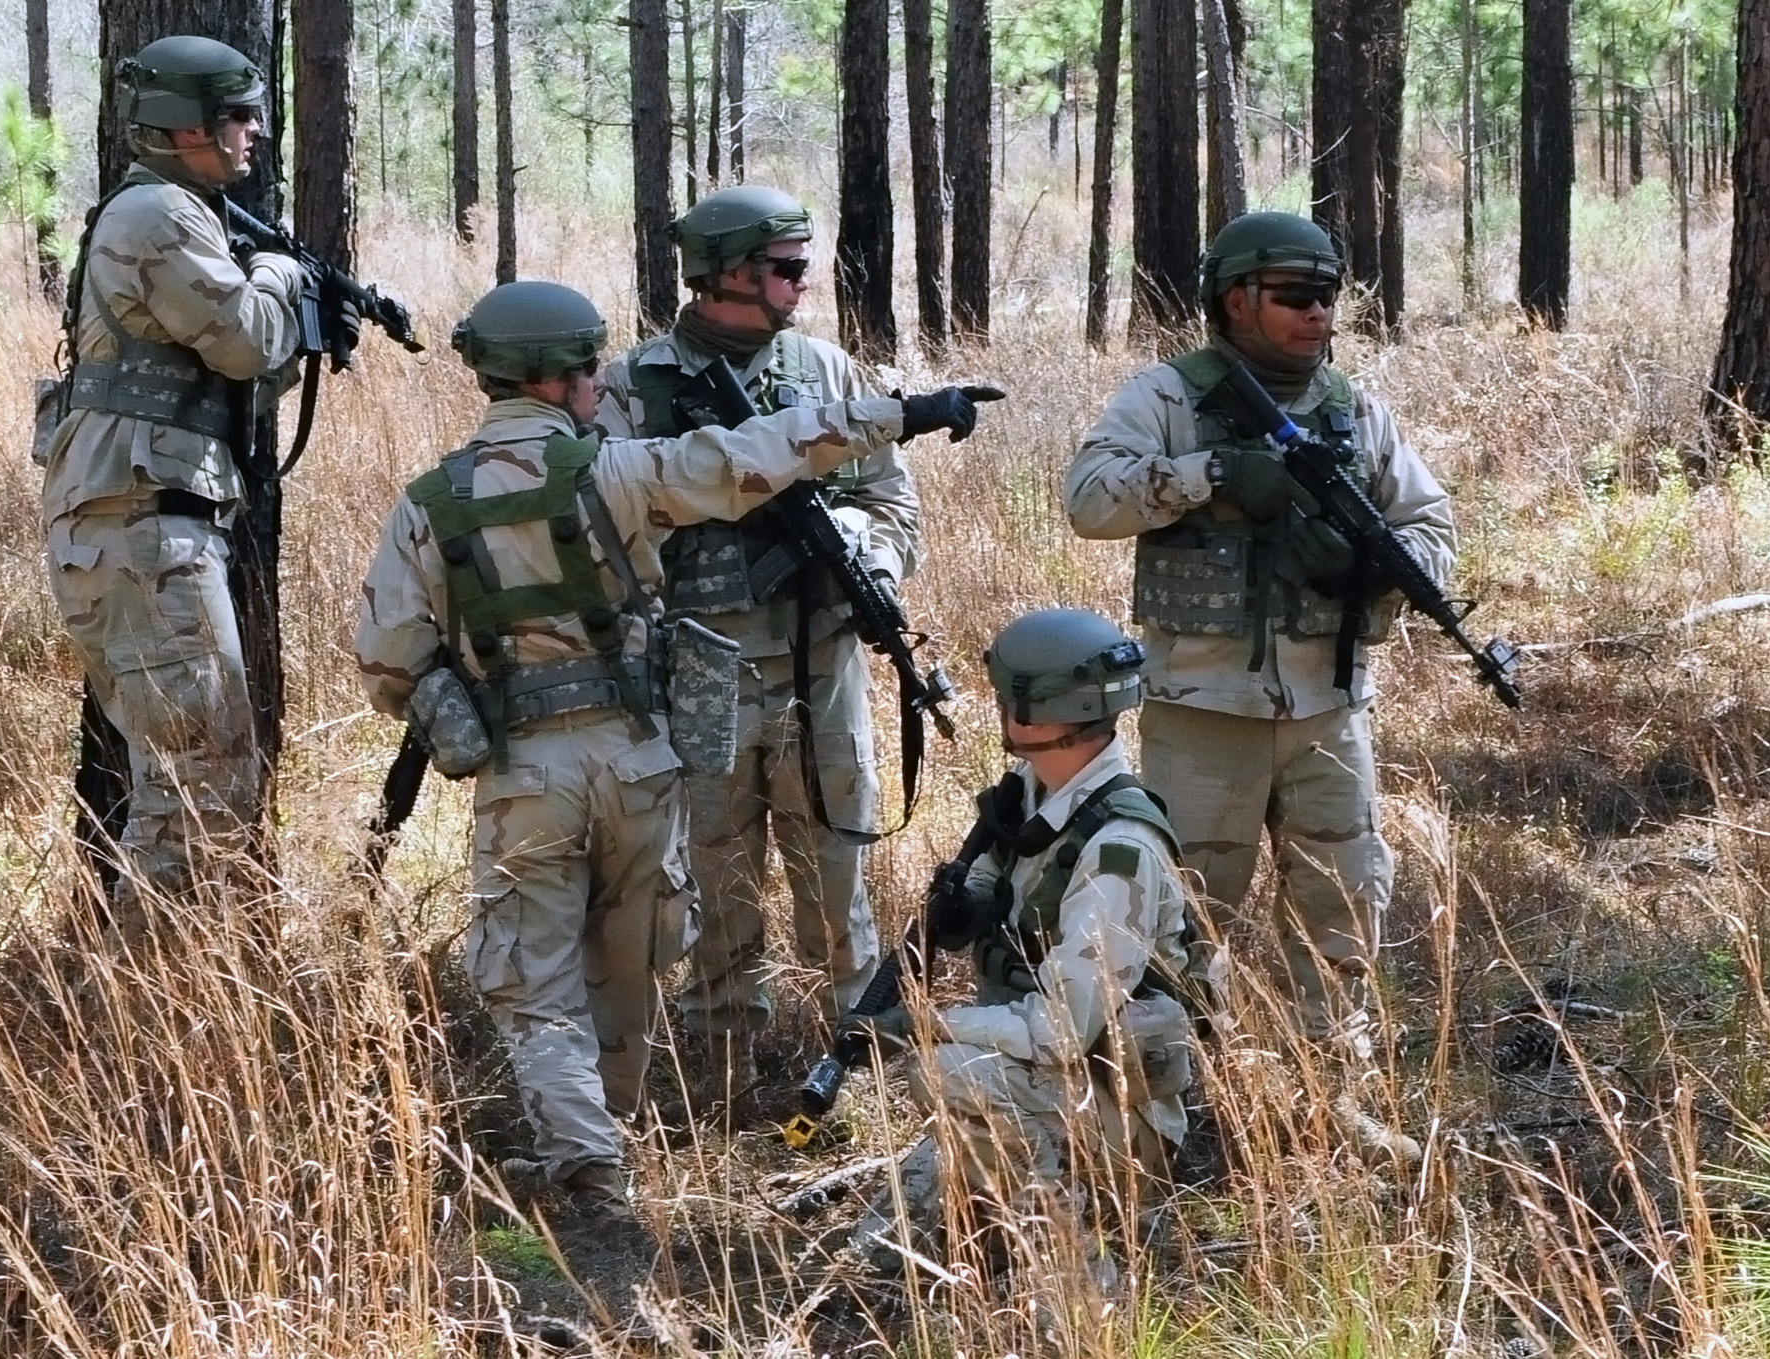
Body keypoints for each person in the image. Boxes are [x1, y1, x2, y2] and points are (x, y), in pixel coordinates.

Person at [355, 280, 994, 1219]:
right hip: (642, 763)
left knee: (534, 981)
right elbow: (757, 452)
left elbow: (386, 661)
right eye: (587, 373)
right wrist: (904, 412)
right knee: (629, 958)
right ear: (570, 377)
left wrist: (465, 699)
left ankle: (589, 1166)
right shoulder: (620, 473)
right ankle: (614, 1117)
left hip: (523, 771)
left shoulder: (426, 507)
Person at [1064, 211, 1455, 1135]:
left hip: (1329, 704)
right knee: (1180, 917)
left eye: (1330, 294)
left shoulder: (1355, 412)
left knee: (1344, 908)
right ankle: (1166, 1110)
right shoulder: (1166, 398)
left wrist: (1375, 565)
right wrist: (1213, 474)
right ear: (1236, 299)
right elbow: (1088, 499)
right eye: (1297, 296)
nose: (1322, 313)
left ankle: (1334, 1103)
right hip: (1204, 711)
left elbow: (1432, 523)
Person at [594, 186, 920, 1095]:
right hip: (698, 666)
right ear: (729, 273)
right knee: (712, 870)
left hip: (821, 658)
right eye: (784, 266)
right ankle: (723, 1071)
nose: (802, 280)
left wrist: (869, 561)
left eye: (801, 263)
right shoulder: (633, 385)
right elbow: (607, 525)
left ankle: (856, 1063)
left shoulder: (828, 372)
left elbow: (891, 499)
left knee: (837, 868)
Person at [846, 608, 1203, 1278]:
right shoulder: (1038, 796)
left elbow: (1065, 1030)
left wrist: (926, 1023)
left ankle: (1081, 1266)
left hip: (1122, 1110)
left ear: (1036, 718)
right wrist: (970, 907)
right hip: (1061, 1080)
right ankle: (991, 1215)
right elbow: (1000, 886)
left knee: (944, 1070)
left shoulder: (1117, 851)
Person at [40, 35, 307, 922]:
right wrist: (280, 274)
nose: (256, 133)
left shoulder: (173, 210)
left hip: (142, 516)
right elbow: (248, 340)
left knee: (196, 770)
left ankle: (160, 1008)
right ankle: (144, 1035)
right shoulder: (158, 213)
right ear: (185, 126)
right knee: (198, 781)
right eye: (240, 115)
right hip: (144, 519)